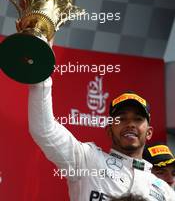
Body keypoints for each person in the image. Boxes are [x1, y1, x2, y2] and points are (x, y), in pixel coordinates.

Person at [28, 55, 175, 200]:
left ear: (149, 133)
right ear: (109, 130)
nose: (130, 124)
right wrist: (42, 70)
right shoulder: (87, 161)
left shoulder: (165, 192)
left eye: (138, 119)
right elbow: (44, 129)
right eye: (122, 119)